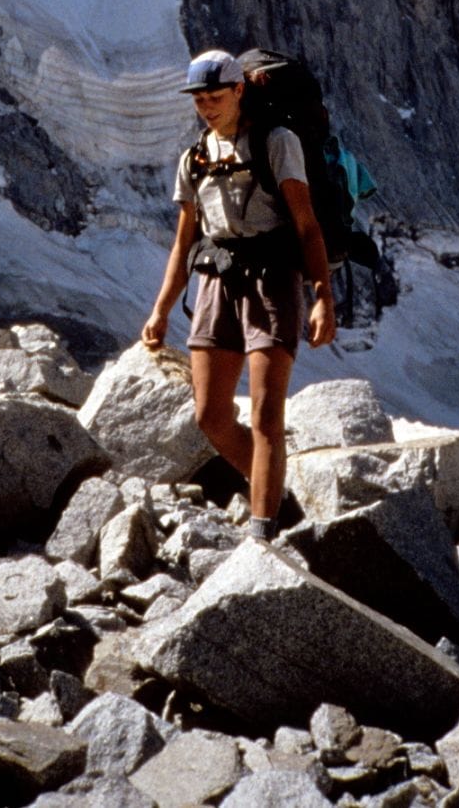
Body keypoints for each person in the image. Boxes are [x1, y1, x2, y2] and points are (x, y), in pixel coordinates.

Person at [141, 49, 336, 541]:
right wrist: (161, 310)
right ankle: (276, 493)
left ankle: (263, 531)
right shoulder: (196, 157)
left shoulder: (277, 142)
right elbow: (184, 240)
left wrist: (322, 297)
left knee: (266, 414)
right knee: (210, 415)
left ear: (239, 91)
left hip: (272, 279)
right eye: (200, 99)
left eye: (215, 97)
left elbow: (308, 226)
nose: (206, 107)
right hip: (215, 280)